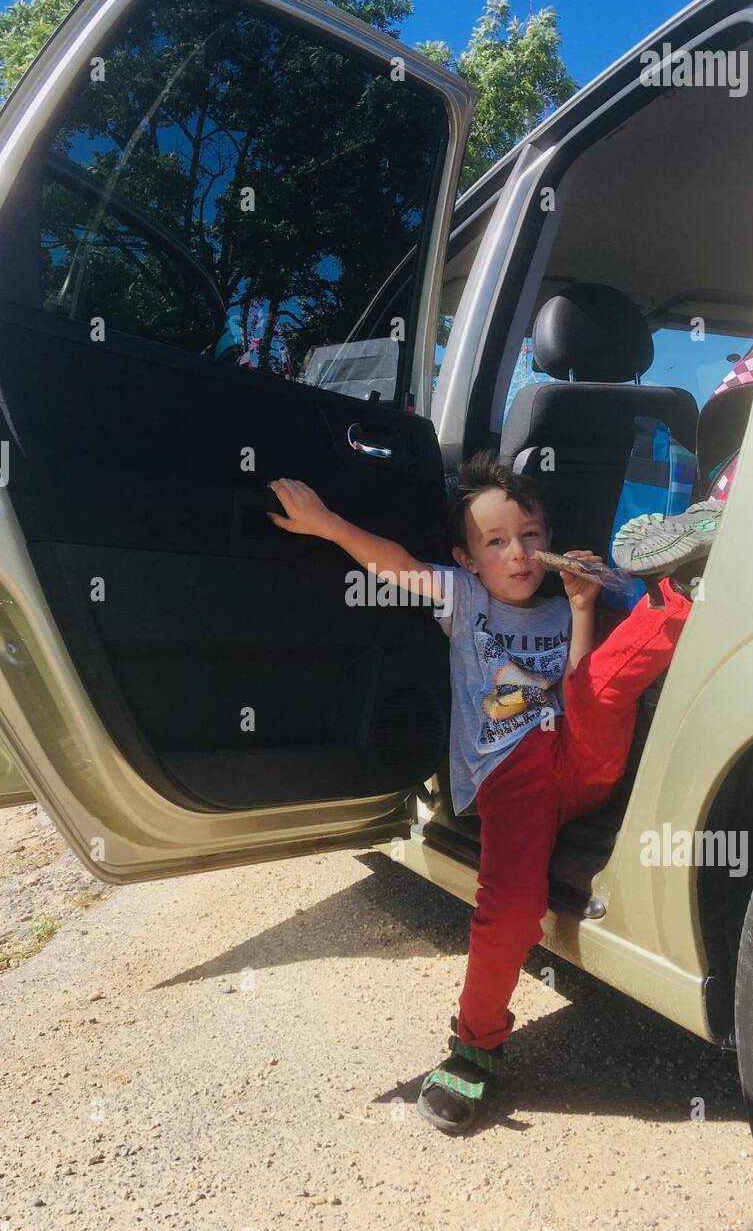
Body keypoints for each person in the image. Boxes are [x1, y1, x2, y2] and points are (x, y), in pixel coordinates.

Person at [266, 452, 724, 1135]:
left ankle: (683, 583)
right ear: (467, 557)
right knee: (509, 909)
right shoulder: (466, 599)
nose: (519, 553)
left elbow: (577, 690)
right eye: (496, 542)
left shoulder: (561, 602)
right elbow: (395, 566)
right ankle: (475, 1047)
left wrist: (581, 608)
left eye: (532, 537)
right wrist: (327, 523)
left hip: (577, 756)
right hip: (507, 777)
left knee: (593, 686)